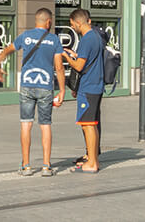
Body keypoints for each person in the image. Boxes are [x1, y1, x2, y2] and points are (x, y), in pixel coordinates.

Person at [0, 8, 65, 176]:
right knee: (45, 125)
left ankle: (26, 165)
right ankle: (46, 166)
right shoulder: (54, 40)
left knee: (26, 123)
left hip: (27, 85)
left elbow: (7, 50)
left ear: (36, 21)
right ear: (48, 22)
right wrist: (62, 90)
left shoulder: (25, 36)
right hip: (46, 86)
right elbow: (59, 67)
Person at [57, 9, 110, 174]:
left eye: (72, 24)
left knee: (87, 125)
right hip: (95, 85)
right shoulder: (96, 37)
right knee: (92, 124)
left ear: (78, 22)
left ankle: (92, 163)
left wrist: (66, 57)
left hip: (88, 87)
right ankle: (93, 159)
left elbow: (79, 66)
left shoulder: (87, 39)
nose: (73, 27)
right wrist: (75, 55)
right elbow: (88, 61)